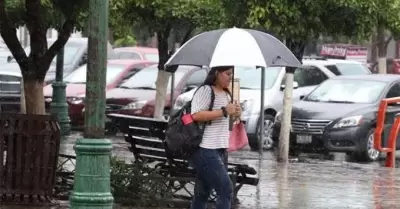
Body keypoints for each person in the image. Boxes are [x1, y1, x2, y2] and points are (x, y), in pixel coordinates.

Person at [190, 66, 241, 209]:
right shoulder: (206, 90)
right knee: (226, 189)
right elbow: (196, 115)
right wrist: (224, 111)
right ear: (217, 73)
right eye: (227, 74)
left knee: (202, 192)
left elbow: (230, 121)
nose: (230, 77)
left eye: (232, 74)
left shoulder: (227, 94)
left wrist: (236, 112)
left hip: (221, 148)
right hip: (205, 149)